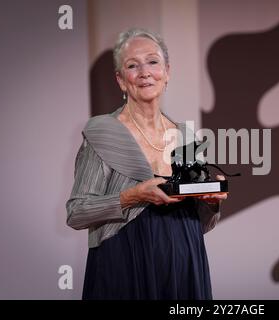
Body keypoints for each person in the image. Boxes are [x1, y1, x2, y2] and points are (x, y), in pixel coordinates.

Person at [66, 28, 226, 300]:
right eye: (132, 65)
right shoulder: (102, 132)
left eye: (153, 62)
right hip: (125, 261)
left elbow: (203, 222)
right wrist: (131, 197)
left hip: (184, 262)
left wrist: (211, 202)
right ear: (120, 80)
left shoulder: (186, 136)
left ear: (167, 72)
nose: (144, 72)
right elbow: (76, 212)